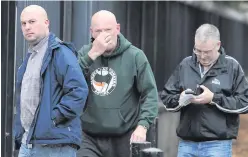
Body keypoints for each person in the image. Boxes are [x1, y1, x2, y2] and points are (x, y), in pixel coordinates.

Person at [77, 10, 158, 157]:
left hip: (125, 135)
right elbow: (71, 83)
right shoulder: (85, 54)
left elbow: (150, 94)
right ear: (91, 32)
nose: (103, 35)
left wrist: (143, 126)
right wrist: (93, 54)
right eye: (98, 31)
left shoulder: (135, 56)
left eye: (108, 30)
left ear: (117, 29)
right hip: (90, 136)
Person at [160, 23, 248, 157]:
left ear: (218, 45)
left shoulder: (232, 67)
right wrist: (180, 99)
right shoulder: (185, 65)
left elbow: (244, 102)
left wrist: (213, 98)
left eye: (206, 52)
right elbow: (166, 97)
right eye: (197, 50)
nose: (201, 56)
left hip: (218, 145)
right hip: (186, 144)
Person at [14, 5, 88, 157]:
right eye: (23, 23)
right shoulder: (29, 58)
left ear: (46, 22)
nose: (27, 27)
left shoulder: (60, 53)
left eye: (32, 21)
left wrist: (53, 119)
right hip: (28, 143)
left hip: (55, 145)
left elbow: (79, 90)